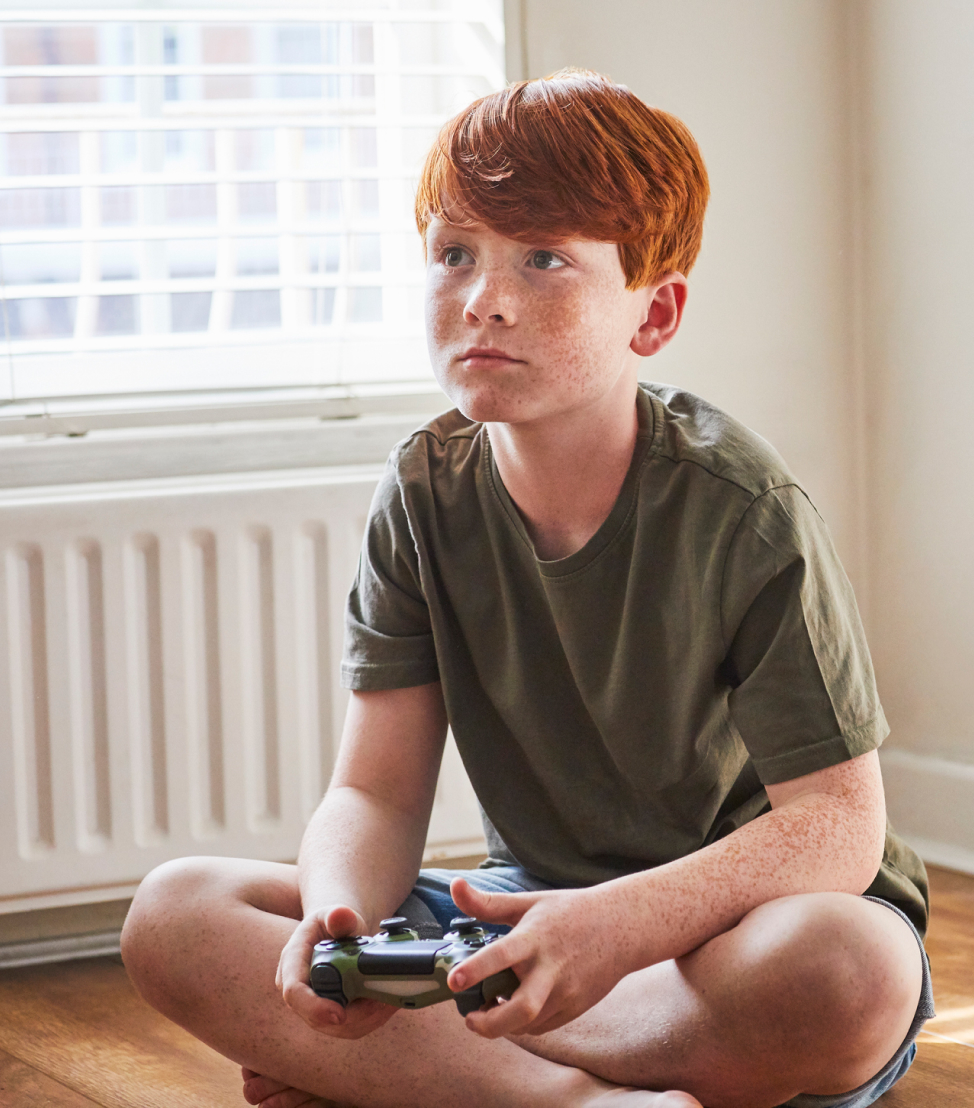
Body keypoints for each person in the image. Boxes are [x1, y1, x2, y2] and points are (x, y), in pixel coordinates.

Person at [122, 69, 933, 1108]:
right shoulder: (422, 492)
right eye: (454, 253)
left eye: (543, 259)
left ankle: (447, 1075)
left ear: (655, 313)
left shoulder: (745, 510)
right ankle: (582, 1096)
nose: (484, 297)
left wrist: (619, 928)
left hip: (729, 931)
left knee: (848, 972)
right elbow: (372, 790)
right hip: (528, 917)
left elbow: (834, 828)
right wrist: (339, 925)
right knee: (173, 913)